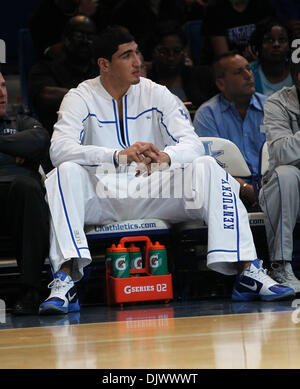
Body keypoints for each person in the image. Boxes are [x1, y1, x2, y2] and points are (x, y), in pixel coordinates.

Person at [38, 26, 294, 315]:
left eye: (138, 53)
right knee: (63, 173)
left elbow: (194, 145)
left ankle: (247, 270)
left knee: (207, 165)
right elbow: (58, 150)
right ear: (104, 64)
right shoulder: (80, 96)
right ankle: (64, 278)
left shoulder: (157, 93)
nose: (138, 62)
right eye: (127, 55)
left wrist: (166, 157)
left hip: (155, 189)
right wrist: (115, 155)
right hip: (103, 193)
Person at [0, 66, 50, 315]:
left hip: (19, 201)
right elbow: (26, 144)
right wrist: (15, 147)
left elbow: (40, 140)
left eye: (1, 86)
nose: (1, 93)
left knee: (27, 187)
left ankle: (31, 291)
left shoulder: (21, 121)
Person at [193, 52, 266, 209]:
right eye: (239, 72)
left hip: (272, 189)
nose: (248, 75)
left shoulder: (272, 107)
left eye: (248, 69)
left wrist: (267, 191)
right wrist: (246, 190)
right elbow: (211, 168)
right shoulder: (207, 114)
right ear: (221, 83)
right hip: (227, 194)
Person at [258, 58, 300, 293]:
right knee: (286, 175)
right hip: (286, 192)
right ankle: (280, 266)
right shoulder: (277, 103)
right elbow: (281, 151)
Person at [29, 15, 98, 138]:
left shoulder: (101, 70)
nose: (86, 41)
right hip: (59, 137)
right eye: (79, 36)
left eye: (90, 36)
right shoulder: (45, 68)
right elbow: (44, 94)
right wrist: (88, 96)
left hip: (99, 139)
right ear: (65, 39)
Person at [148, 21, 218, 115]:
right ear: (154, 52)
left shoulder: (202, 76)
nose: (171, 57)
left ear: (185, 51)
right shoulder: (146, 83)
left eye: (176, 51)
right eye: (164, 51)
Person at [204, 0, 275, 62]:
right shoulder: (215, 8)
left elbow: (270, 42)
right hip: (229, 65)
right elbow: (223, 57)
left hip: (259, 60)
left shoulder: (263, 4)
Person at [29, 0, 99, 60]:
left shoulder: (94, 8)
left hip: (89, 68)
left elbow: (103, 45)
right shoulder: (42, 15)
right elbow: (56, 53)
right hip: (54, 70)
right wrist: (83, 17)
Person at [249, 19, 293, 96]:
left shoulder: (297, 69)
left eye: (282, 40)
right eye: (269, 40)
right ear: (259, 45)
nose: (276, 44)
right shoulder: (248, 73)